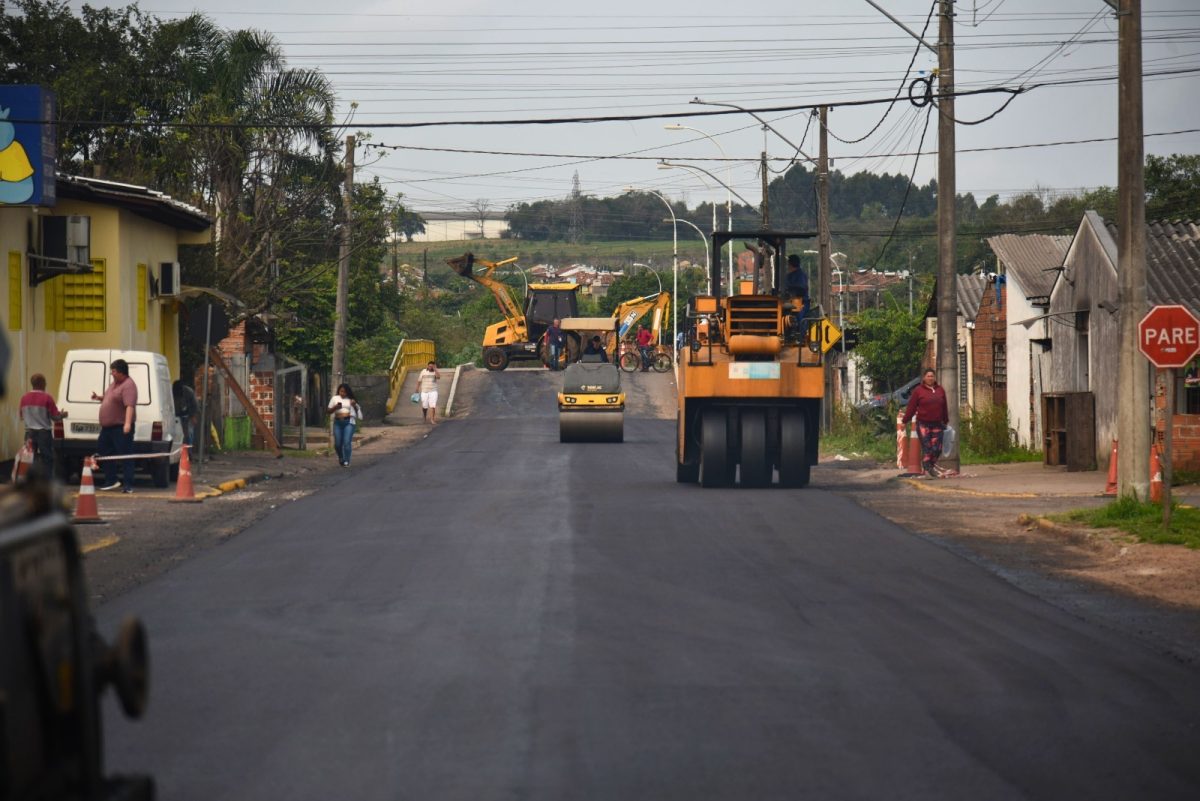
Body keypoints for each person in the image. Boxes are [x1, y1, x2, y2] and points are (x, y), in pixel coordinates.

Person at [92, 359, 137, 493]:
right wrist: (99, 398)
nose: (111, 373)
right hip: (108, 428)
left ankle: (128, 485)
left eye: (114, 371)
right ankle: (112, 480)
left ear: (121, 372)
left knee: (125, 455)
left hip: (120, 426)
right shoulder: (114, 384)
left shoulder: (128, 385)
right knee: (104, 451)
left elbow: (129, 406)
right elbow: (109, 398)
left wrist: (127, 423)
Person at [902, 368, 949, 479]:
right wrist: (905, 420)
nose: (930, 378)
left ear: (934, 377)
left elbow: (944, 407)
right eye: (928, 376)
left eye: (932, 376)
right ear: (924, 378)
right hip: (923, 424)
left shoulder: (940, 390)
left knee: (937, 449)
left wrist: (945, 421)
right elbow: (911, 408)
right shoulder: (918, 391)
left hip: (937, 424)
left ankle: (929, 465)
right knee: (928, 447)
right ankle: (927, 465)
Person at [18, 373, 66, 473]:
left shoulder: (24, 398)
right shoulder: (47, 398)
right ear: (41, 383)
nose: (46, 384)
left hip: (29, 432)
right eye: (45, 382)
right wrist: (63, 415)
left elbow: (21, 416)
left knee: (29, 458)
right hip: (44, 433)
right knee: (47, 458)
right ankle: (47, 483)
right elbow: (55, 417)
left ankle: (29, 482)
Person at [327, 383, 361, 466]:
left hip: (348, 422)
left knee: (346, 442)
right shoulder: (335, 398)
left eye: (345, 392)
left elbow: (358, 411)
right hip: (338, 422)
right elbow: (328, 411)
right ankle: (341, 457)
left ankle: (347, 461)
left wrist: (354, 405)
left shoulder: (351, 399)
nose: (342, 393)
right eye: (341, 391)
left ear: (347, 392)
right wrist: (335, 407)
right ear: (338, 390)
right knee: (338, 444)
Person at [785, 253, 811, 338]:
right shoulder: (789, 275)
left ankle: (800, 337)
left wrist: (790, 289)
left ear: (791, 264)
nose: (787, 266)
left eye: (788, 263)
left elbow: (801, 288)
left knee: (800, 318)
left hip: (801, 302)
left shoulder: (800, 275)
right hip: (789, 302)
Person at [172, 378, 198, 448]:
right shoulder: (171, 391)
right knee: (176, 434)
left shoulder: (189, 392)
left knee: (189, 434)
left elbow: (194, 405)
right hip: (175, 416)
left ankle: (189, 451)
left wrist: (193, 416)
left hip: (188, 415)